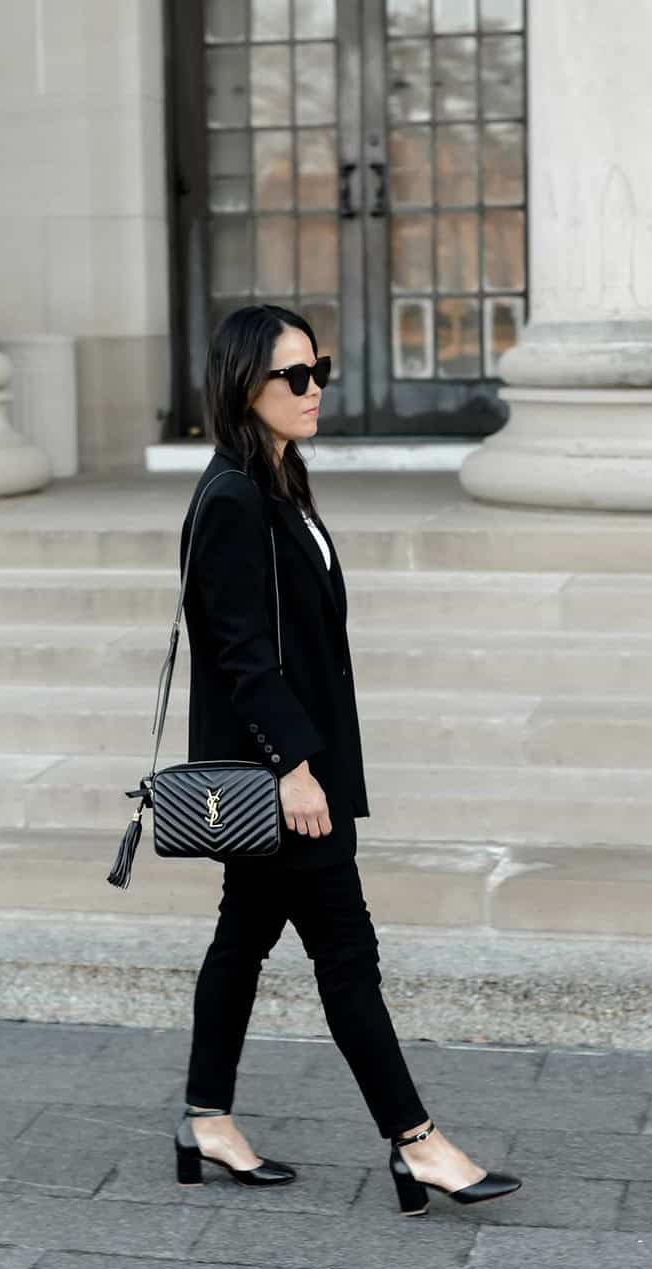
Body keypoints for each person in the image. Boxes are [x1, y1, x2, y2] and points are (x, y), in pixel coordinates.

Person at [173, 303, 522, 1215]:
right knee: (345, 949)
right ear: (245, 387)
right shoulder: (233, 500)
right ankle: (418, 1143)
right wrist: (295, 767)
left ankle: (205, 1117)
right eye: (295, 375)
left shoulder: (279, 482)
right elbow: (243, 655)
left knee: (243, 937)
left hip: (298, 767)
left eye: (317, 366)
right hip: (284, 779)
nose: (315, 386)